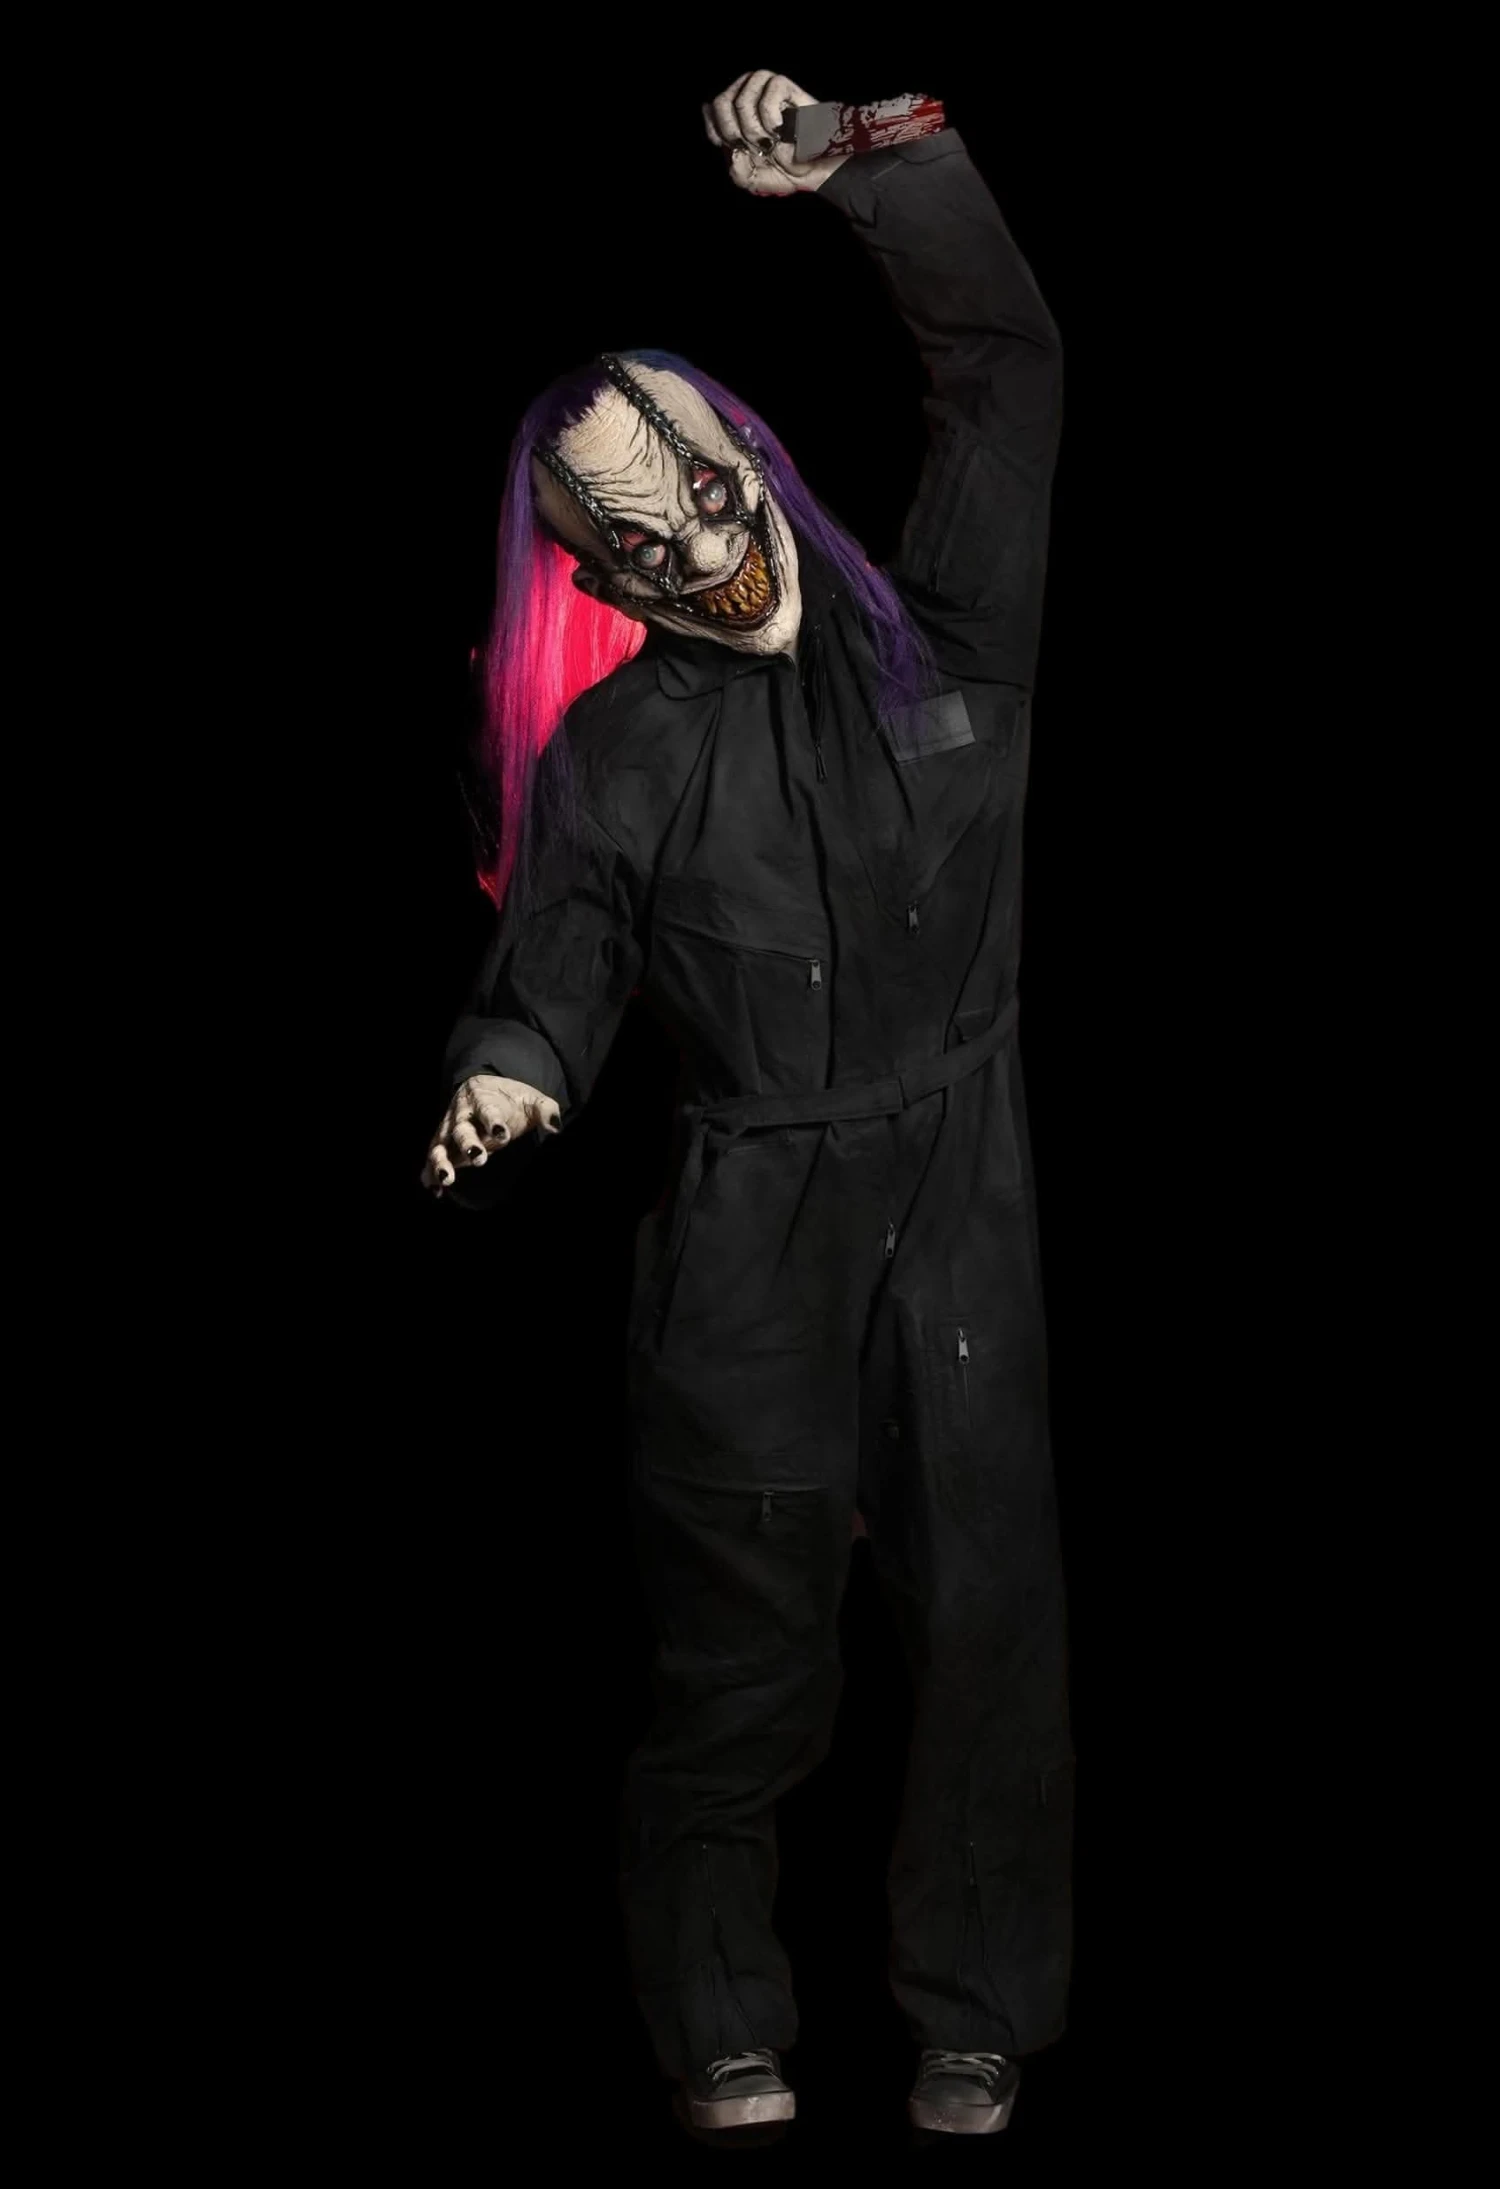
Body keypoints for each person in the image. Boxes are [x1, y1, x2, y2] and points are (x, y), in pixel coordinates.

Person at [423, 67, 1075, 2145]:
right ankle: (725, 2024)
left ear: (749, 459)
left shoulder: (948, 627)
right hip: (747, 1240)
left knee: (987, 1621)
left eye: (704, 490)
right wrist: (509, 1075)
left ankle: (975, 2010)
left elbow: (1008, 371)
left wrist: (882, 160)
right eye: (641, 536)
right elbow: (554, 978)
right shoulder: (617, 760)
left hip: (959, 1198)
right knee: (742, 1655)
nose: (702, 546)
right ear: (601, 573)